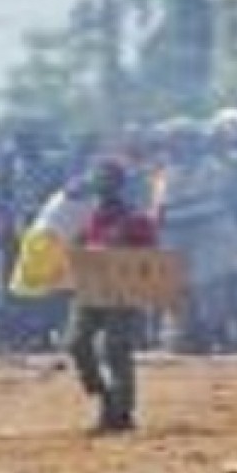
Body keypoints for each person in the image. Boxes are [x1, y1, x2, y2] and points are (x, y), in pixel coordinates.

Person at [66, 159, 157, 433]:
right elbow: (76, 246)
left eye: (105, 179)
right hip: (91, 286)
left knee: (116, 350)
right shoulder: (89, 215)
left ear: (118, 184)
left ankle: (120, 412)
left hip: (121, 289)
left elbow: (150, 257)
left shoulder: (135, 219)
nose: (99, 184)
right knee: (77, 343)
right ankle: (104, 395)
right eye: (97, 179)